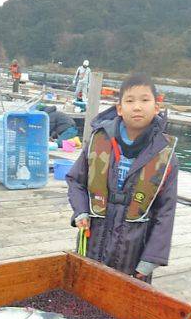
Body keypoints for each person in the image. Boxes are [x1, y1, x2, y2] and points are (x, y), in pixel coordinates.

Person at [66, 72, 178, 282]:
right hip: (93, 242)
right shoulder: (98, 141)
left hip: (134, 251)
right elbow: (75, 181)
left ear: (156, 107)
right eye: (130, 100)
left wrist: (151, 259)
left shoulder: (167, 156)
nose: (137, 106)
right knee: (86, 292)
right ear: (119, 108)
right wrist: (80, 211)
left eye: (145, 100)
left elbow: (166, 211)